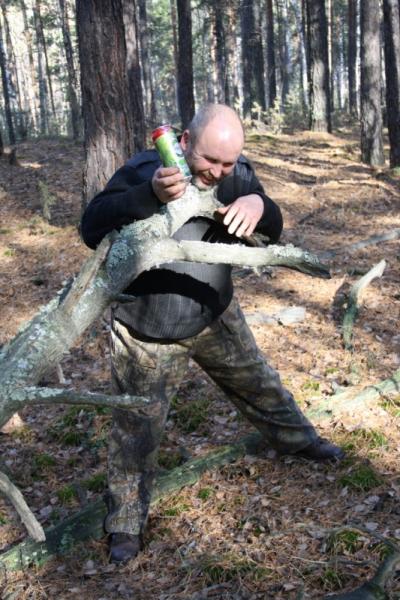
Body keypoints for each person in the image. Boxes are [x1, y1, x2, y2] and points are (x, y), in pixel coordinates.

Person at [81, 104, 344, 564]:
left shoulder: (236, 174)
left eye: (228, 162)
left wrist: (258, 204)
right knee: (135, 430)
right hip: (147, 330)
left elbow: (273, 224)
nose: (218, 172)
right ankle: (125, 522)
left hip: (213, 310)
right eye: (209, 160)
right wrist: (148, 195)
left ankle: (298, 440)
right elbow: (91, 226)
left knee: (259, 383)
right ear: (184, 142)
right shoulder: (144, 170)